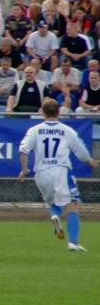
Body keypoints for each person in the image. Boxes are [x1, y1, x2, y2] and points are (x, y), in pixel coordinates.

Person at [18, 99, 98, 251]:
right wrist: (89, 161)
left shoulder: (35, 130)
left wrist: (24, 169)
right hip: (61, 170)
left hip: (41, 173)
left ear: (42, 112)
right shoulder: (67, 130)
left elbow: (23, 150)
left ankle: (55, 216)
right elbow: (81, 151)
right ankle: (73, 242)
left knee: (55, 202)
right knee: (72, 205)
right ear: (59, 112)